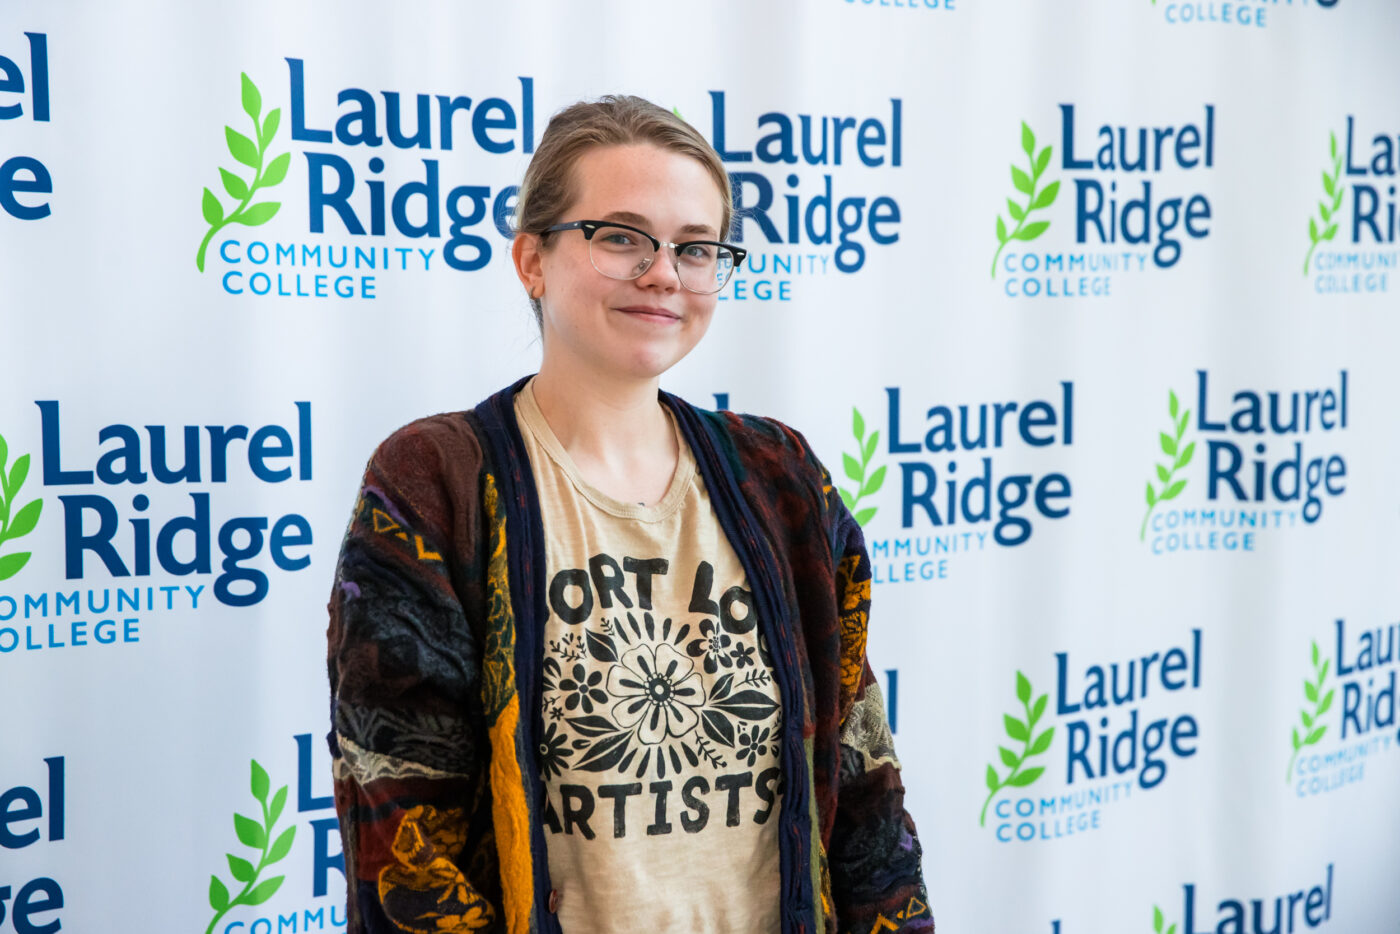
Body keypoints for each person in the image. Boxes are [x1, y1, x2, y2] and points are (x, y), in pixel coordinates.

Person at [327, 95, 931, 934]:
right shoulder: (439, 481)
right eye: (621, 236)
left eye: (695, 247)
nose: (664, 273)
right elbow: (401, 824)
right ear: (532, 259)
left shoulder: (781, 477)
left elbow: (864, 792)